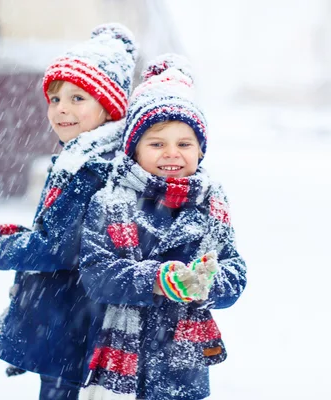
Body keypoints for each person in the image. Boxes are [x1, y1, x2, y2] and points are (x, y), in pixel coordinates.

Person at [0, 23, 138, 400]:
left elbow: (57, 248)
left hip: (74, 319)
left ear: (109, 105)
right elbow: (58, 230)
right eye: (55, 99)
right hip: (70, 317)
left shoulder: (91, 168)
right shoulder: (79, 157)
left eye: (77, 99)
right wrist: (11, 235)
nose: (61, 109)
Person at [77, 54, 247, 400]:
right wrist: (157, 280)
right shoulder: (111, 202)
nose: (172, 153)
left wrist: (207, 283)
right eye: (157, 144)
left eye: (184, 144)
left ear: (200, 150)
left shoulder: (211, 204)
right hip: (121, 362)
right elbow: (96, 274)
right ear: (135, 150)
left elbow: (234, 268)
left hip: (181, 366)